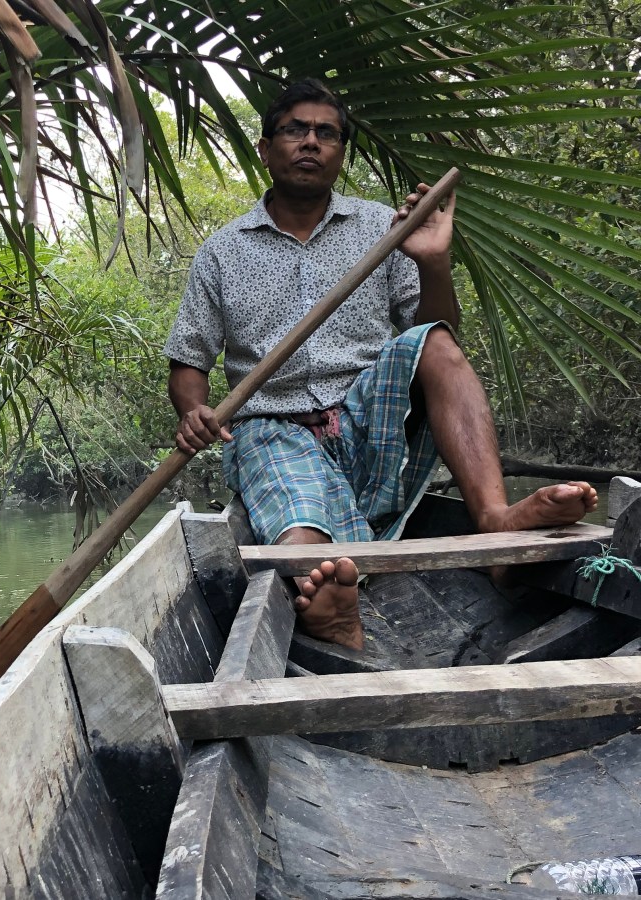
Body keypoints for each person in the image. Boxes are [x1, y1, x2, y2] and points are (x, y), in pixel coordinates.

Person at [164, 78, 597, 650]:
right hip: (277, 428)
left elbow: (432, 331)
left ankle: (494, 523)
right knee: (296, 515)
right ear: (267, 149)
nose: (311, 142)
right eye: (295, 130)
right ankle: (328, 598)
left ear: (340, 153)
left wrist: (433, 261)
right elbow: (188, 362)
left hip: (375, 422)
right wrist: (195, 412)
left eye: (326, 133)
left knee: (436, 342)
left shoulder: (381, 230)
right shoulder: (222, 251)